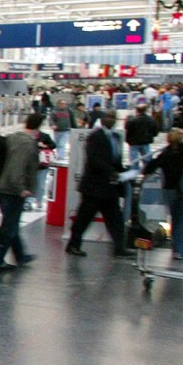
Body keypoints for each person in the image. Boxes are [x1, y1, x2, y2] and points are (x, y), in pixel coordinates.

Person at [65, 110, 131, 259]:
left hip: (109, 187)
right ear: (102, 120)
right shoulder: (95, 137)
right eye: (108, 117)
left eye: (113, 118)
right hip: (94, 186)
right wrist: (111, 171)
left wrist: (123, 172)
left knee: (115, 219)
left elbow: (116, 160)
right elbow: (94, 160)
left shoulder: (116, 137)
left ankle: (119, 248)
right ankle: (73, 245)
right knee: (84, 218)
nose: (110, 120)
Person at [0, 113, 43, 272]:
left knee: (10, 223)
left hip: (0, 184)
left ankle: (20, 255)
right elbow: (17, 169)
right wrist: (22, 189)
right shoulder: (27, 143)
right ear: (38, 128)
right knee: (10, 226)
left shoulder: (12, 137)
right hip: (12, 190)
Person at [142, 128, 183, 260]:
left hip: (169, 189)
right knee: (181, 219)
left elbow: (149, 168)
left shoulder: (165, 153)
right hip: (182, 189)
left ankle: (177, 247)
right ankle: (179, 248)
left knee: (175, 218)